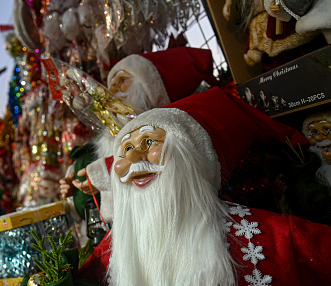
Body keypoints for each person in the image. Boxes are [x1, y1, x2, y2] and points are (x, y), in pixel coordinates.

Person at [78, 87, 331, 286]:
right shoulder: (114, 249)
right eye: (125, 150)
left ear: (190, 155)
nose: (132, 158)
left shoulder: (273, 238)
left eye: (148, 143)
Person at [60, 47, 217, 222]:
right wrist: (76, 192)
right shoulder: (107, 138)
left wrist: (108, 170)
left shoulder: (175, 133)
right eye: (111, 84)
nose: (113, 91)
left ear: (149, 88)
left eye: (122, 81)